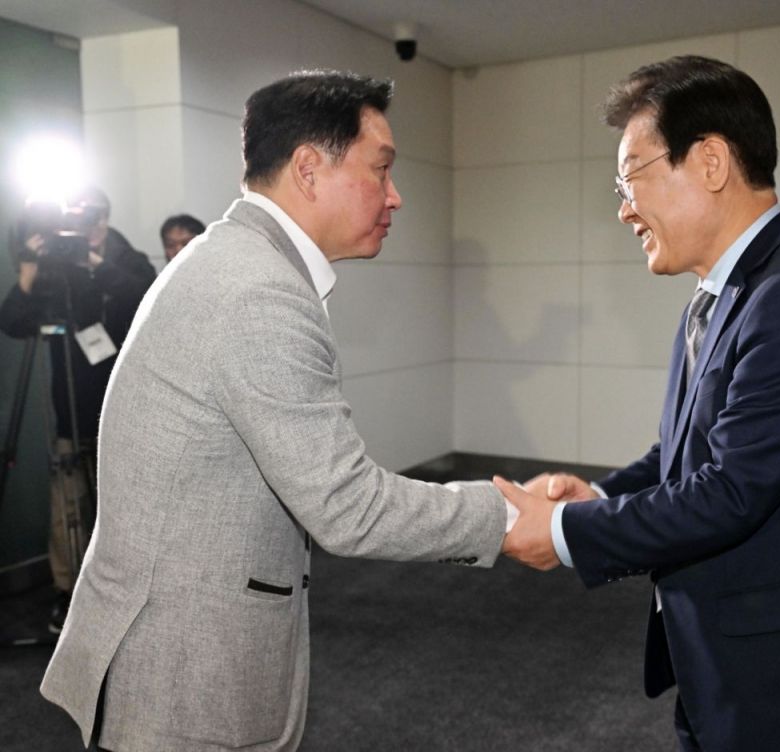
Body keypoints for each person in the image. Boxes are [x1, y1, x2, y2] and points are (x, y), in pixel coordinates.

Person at [40, 71, 512, 752]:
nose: (395, 195)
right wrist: (509, 516)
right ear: (309, 169)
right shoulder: (258, 290)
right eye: (381, 169)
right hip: (185, 679)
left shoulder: (232, 259)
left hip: (174, 653)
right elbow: (347, 507)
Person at [499, 56, 780, 752]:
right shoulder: (723, 294)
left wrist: (564, 531)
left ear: (710, 161)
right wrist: (598, 494)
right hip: (725, 665)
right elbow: (686, 453)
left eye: (630, 178)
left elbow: (730, 490)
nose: (624, 208)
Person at [0, 187, 155, 633]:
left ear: (104, 218)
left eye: (91, 218)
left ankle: (130, 593)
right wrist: (30, 268)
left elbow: (143, 299)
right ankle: (67, 592)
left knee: (124, 506)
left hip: (125, 407)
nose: (84, 227)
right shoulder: (56, 265)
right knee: (68, 505)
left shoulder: (128, 260)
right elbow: (14, 322)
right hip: (69, 406)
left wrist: (96, 265)